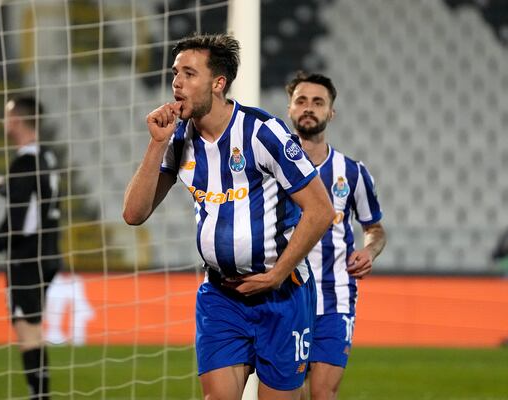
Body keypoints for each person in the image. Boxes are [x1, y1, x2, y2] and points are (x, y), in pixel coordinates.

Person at [122, 33, 335, 400]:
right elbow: (133, 213)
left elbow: (320, 211)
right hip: (222, 295)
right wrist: (156, 143)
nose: (176, 82)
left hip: (283, 294)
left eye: (189, 74)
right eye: (175, 73)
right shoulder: (176, 138)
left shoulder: (261, 132)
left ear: (218, 83)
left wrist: (276, 275)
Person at [285, 71, 387, 400]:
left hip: (335, 296)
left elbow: (375, 229)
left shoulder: (352, 172)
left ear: (331, 112)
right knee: (289, 392)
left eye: (318, 102)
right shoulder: (271, 168)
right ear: (290, 109)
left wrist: (369, 252)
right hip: (285, 294)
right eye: (301, 101)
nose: (309, 108)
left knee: (322, 393)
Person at [0, 96, 62, 399]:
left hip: (27, 256)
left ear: (16, 120)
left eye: (6, 114)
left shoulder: (24, 161)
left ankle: (39, 396)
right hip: (49, 253)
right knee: (34, 329)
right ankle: (40, 395)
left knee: (28, 332)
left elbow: (19, 218)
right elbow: (27, 193)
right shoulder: (46, 157)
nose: (3, 120)